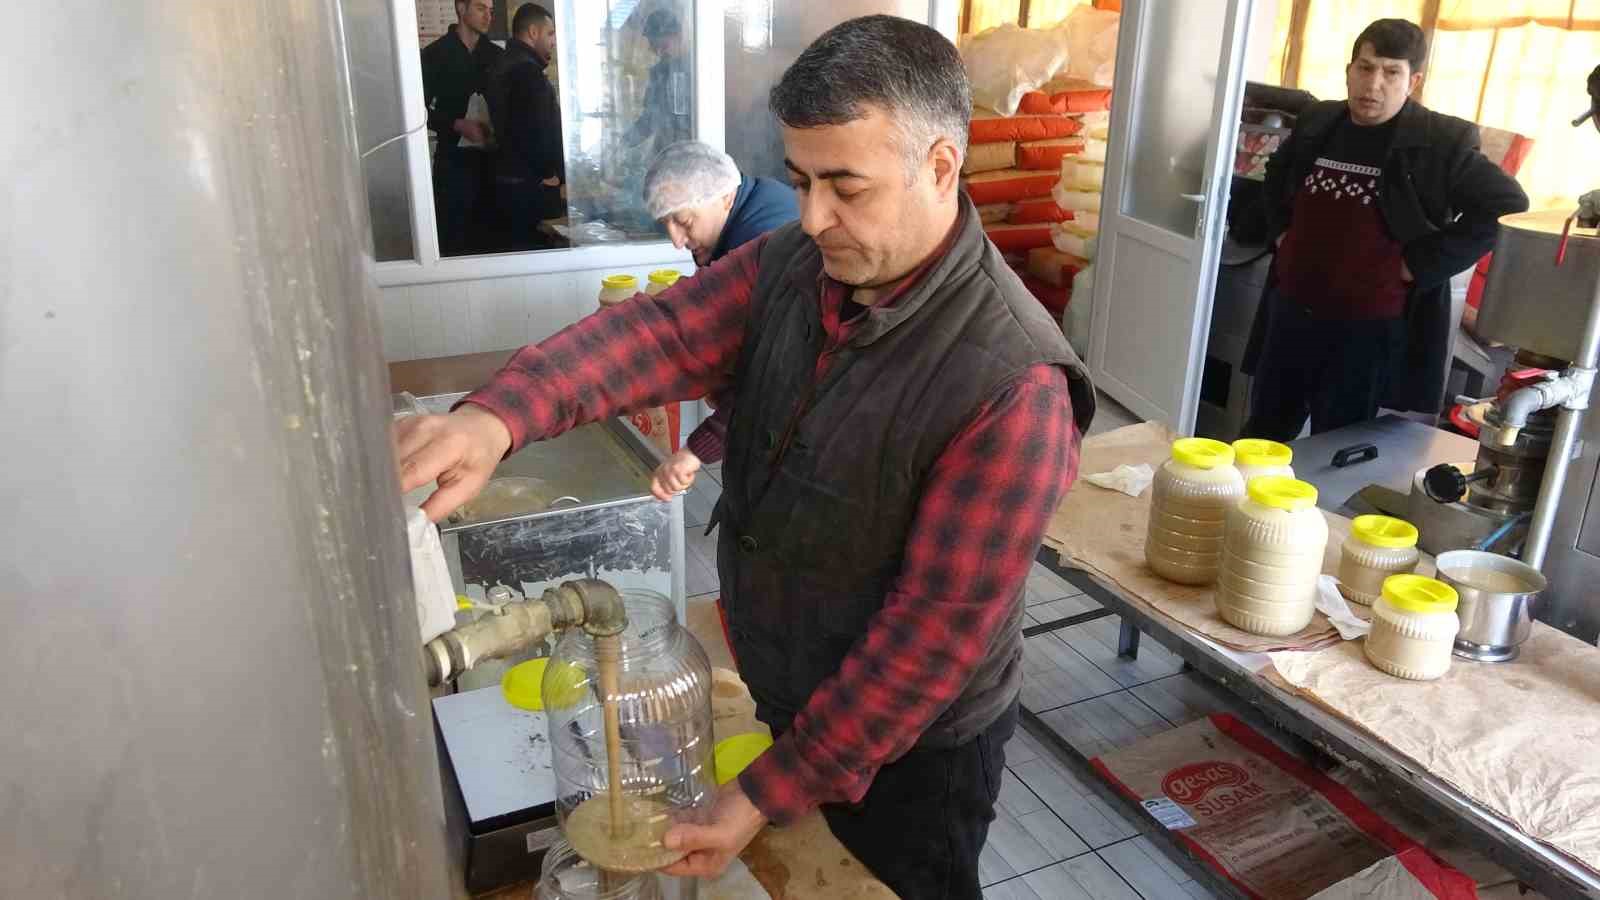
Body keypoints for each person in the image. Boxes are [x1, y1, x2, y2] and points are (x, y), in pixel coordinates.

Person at [394, 16, 1095, 898]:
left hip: (918, 753)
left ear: (943, 167)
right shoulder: (801, 265)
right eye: (800, 180)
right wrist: (496, 418)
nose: (813, 216)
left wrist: (766, 790)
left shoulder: (1011, 385)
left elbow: (927, 643)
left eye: (845, 185)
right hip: (794, 687)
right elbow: (660, 335)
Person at [1241, 18, 1528, 441]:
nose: (1373, 84)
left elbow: (1508, 206)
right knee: (1261, 436)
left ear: (1412, 81)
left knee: (1336, 445)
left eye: (1390, 72)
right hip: (1292, 311)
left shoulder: (1439, 140)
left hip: (1365, 328)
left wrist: (1420, 264)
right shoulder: (1319, 121)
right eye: (1365, 67)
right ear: (1349, 70)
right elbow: (1278, 175)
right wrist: (1281, 233)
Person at [640, 141, 800, 503]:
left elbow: (776, 381)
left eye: (683, 221)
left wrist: (695, 450)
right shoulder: (754, 203)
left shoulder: (767, 244)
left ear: (725, 197)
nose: (677, 242)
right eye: (665, 223)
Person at [422, 0, 503, 256]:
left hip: (493, 165)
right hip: (452, 165)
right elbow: (419, 112)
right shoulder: (434, 55)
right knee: (453, 243)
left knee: (491, 243)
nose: (488, 16)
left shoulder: (497, 56)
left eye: (490, 10)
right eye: (480, 8)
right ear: (460, 8)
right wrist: (456, 123)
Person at [487, 3, 565, 250]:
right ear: (533, 32)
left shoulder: (503, 64)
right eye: (550, 33)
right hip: (531, 187)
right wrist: (549, 174)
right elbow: (535, 131)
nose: (553, 41)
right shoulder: (527, 73)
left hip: (509, 183)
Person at [624, 10, 692, 155]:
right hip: (668, 153)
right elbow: (650, 118)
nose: (660, 53)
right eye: (655, 48)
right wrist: (624, 143)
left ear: (679, 36)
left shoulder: (699, 71)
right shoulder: (658, 73)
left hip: (694, 153)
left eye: (664, 46)